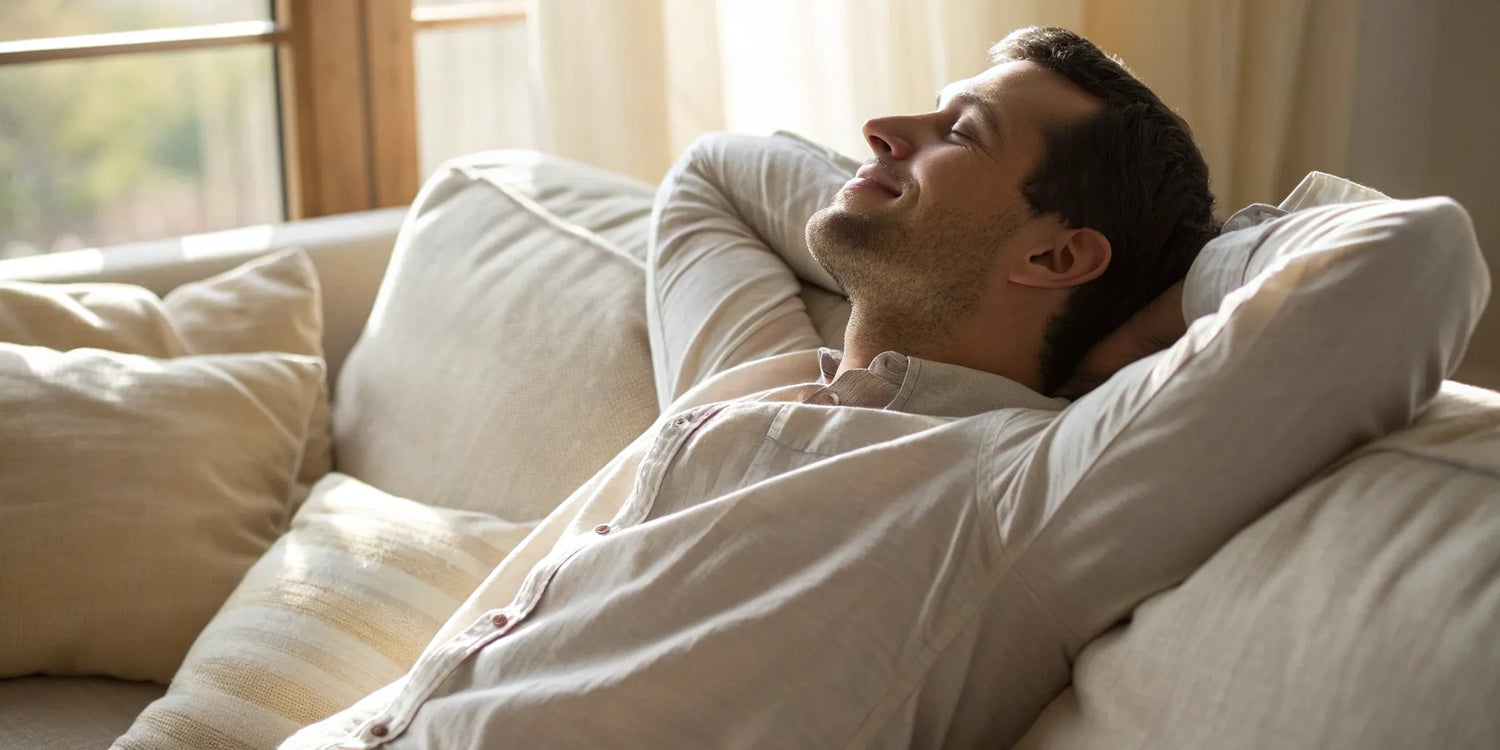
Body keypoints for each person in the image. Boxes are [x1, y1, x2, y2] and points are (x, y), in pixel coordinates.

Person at [285, 26, 1487, 749]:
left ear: (1060, 255)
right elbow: (714, 175)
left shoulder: (1017, 498)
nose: (880, 127)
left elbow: (1414, 262)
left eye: (957, 128)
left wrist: (1173, 295)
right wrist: (904, 205)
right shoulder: (749, 373)